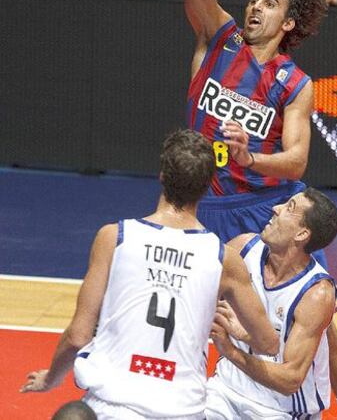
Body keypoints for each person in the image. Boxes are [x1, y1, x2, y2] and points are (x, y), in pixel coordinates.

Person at [162, 0, 337, 420]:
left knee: (319, 323)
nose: (255, 6)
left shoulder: (294, 83)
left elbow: (298, 162)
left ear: (289, 20)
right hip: (212, 207)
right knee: (201, 316)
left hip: (268, 207)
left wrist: (251, 158)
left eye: (270, 2)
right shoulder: (217, 35)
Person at [20, 129, 279, 419]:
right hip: (183, 411)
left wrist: (50, 379)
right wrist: (230, 332)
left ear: (162, 177)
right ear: (208, 186)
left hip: (110, 406)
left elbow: (78, 337)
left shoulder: (114, 237)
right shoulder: (225, 259)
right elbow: (268, 343)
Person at [206, 188, 337, 419]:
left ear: (302, 234)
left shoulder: (316, 294)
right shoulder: (243, 247)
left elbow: (290, 380)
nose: (275, 209)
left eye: (289, 208)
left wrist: (230, 350)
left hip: (281, 409)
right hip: (225, 390)